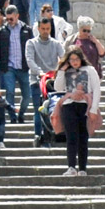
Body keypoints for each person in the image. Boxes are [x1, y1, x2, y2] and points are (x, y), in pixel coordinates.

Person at [53, 47, 102, 176]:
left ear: (81, 59)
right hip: (69, 105)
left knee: (83, 137)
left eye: (76, 59)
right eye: (71, 59)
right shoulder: (66, 71)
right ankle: (71, 167)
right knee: (71, 137)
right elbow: (58, 88)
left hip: (85, 106)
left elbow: (96, 89)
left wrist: (94, 109)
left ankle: (82, 168)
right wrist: (62, 70)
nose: (74, 62)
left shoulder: (90, 70)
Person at [26, 17, 65, 147]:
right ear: (38, 28)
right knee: (39, 109)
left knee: (52, 109)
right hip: (36, 81)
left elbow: (64, 58)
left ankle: (53, 134)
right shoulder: (31, 43)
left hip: (53, 82)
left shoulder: (56, 43)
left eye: (47, 29)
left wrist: (58, 71)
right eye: (42, 29)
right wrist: (40, 72)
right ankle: (38, 135)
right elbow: (30, 60)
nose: (45, 31)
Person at [0, 5, 34, 124]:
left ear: (17, 16)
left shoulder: (26, 30)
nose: (9, 21)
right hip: (8, 66)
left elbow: (32, 48)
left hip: (23, 67)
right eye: (8, 19)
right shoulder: (3, 31)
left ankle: (21, 114)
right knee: (10, 92)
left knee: (27, 95)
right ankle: (12, 117)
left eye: (12, 18)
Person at [66, 16, 105, 81]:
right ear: (79, 29)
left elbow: (102, 53)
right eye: (84, 30)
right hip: (75, 75)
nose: (86, 33)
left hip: (93, 75)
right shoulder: (71, 40)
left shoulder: (93, 41)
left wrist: (96, 42)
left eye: (89, 31)